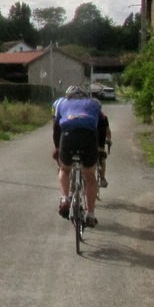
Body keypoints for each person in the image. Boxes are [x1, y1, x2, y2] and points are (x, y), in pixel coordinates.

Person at [52, 84, 103, 227]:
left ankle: (64, 199)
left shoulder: (61, 103)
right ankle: (91, 214)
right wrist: (99, 148)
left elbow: (56, 129)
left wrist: (57, 148)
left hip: (68, 136)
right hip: (88, 137)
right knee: (90, 175)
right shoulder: (93, 103)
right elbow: (101, 126)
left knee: (64, 169)